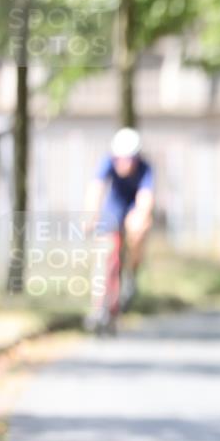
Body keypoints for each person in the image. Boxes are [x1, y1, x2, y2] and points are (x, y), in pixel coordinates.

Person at [84, 127, 154, 326]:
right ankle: (98, 306)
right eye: (119, 159)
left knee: (138, 227)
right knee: (103, 251)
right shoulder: (107, 163)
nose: (123, 164)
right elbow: (95, 189)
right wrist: (90, 217)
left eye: (128, 159)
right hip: (114, 208)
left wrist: (139, 220)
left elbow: (145, 200)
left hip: (133, 207)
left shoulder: (145, 169)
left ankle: (131, 274)